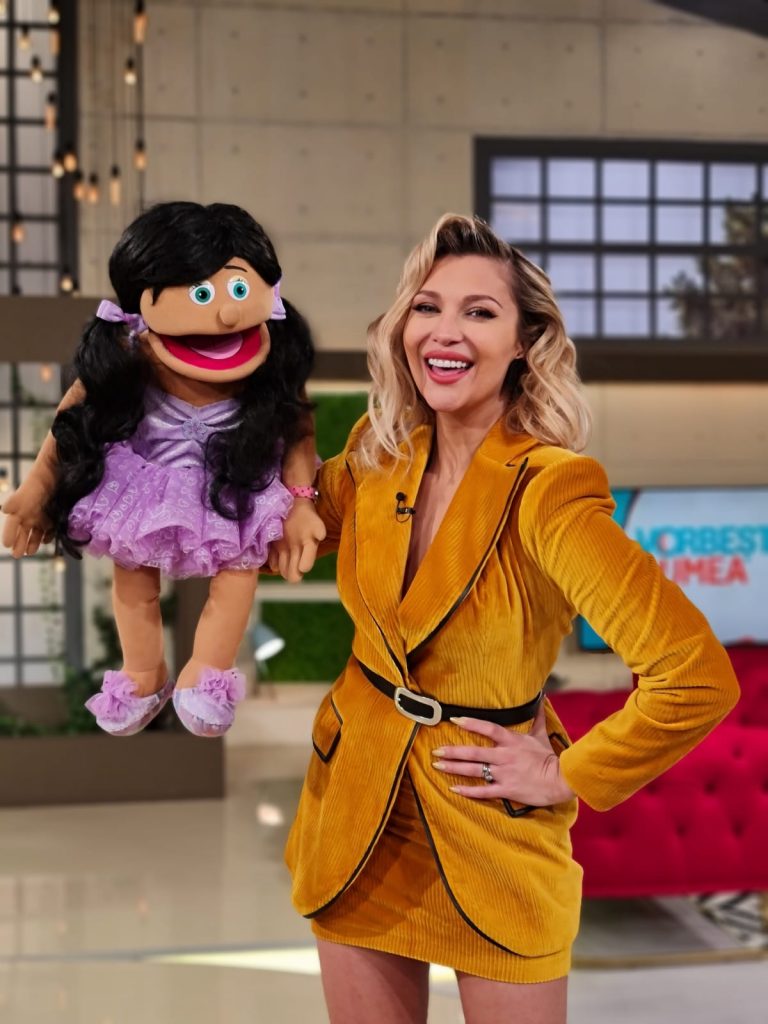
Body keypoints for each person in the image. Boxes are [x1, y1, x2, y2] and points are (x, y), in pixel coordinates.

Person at [283, 213, 740, 1023]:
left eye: (479, 312)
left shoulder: (551, 488)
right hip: (357, 813)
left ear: (525, 341)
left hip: (490, 824)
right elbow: (266, 543)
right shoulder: (378, 453)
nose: (443, 331)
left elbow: (694, 677)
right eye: (427, 307)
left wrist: (566, 773)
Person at [1, 202, 324, 738]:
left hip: (234, 480)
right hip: (147, 483)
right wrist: (39, 485)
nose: (226, 314)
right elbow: (73, 416)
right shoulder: (132, 352)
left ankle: (209, 672)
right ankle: (143, 672)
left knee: (237, 575)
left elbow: (297, 429)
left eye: (238, 288)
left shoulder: (272, 365)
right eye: (201, 294)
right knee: (133, 576)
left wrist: (301, 501)